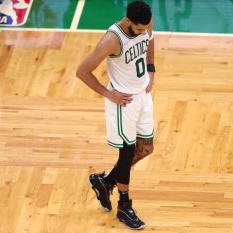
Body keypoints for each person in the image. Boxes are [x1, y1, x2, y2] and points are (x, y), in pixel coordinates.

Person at [76, 1, 155, 230]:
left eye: (146, 27)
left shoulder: (146, 22)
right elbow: (82, 71)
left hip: (143, 95)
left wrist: (151, 69)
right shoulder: (112, 39)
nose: (144, 31)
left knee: (146, 148)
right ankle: (124, 206)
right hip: (124, 102)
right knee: (127, 152)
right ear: (128, 20)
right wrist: (109, 94)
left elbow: (150, 40)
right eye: (139, 29)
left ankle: (106, 181)